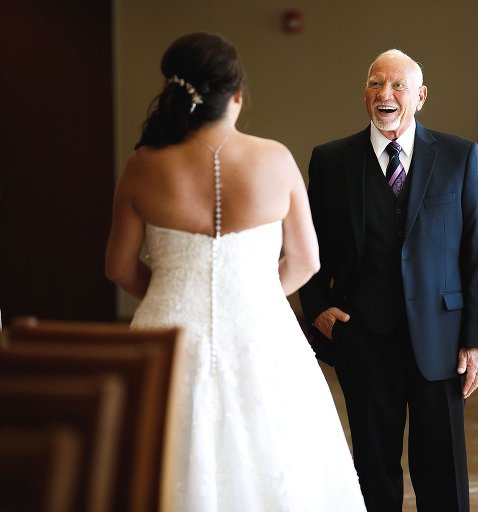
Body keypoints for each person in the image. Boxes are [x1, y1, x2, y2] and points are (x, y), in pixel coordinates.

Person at [105, 32, 366, 512]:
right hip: (263, 333)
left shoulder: (143, 165)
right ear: (238, 96)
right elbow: (306, 261)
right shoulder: (275, 158)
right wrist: (257, 294)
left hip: (166, 335)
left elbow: (118, 266)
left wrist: (169, 291)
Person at [299, 49, 478, 512]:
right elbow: (305, 247)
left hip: (443, 341)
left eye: (398, 86)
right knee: (372, 466)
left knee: (442, 469)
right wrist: (317, 308)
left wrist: (477, 340)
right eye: (375, 84)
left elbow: (477, 254)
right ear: (364, 93)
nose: (385, 95)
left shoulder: (459, 156)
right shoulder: (330, 161)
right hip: (362, 335)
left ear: (420, 96)